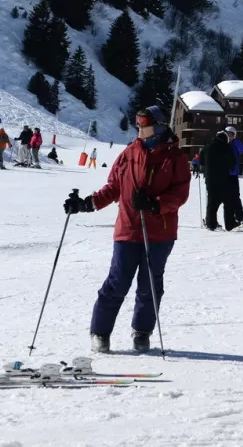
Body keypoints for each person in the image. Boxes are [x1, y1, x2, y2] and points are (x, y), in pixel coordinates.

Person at [64, 104, 190, 355]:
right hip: (128, 229)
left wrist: (155, 204)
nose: (139, 128)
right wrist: (86, 204)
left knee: (150, 285)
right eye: (138, 123)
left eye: (144, 124)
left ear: (159, 126)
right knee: (117, 281)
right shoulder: (129, 153)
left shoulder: (175, 158)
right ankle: (100, 332)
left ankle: (142, 331)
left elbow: (180, 195)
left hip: (160, 232)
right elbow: (113, 188)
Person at [200, 126, 243, 231]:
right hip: (224, 176)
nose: (229, 136)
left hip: (228, 176)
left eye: (232, 134)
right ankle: (215, 221)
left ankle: (238, 221)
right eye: (228, 134)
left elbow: (242, 149)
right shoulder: (223, 145)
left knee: (231, 199)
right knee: (221, 200)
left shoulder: (233, 144)